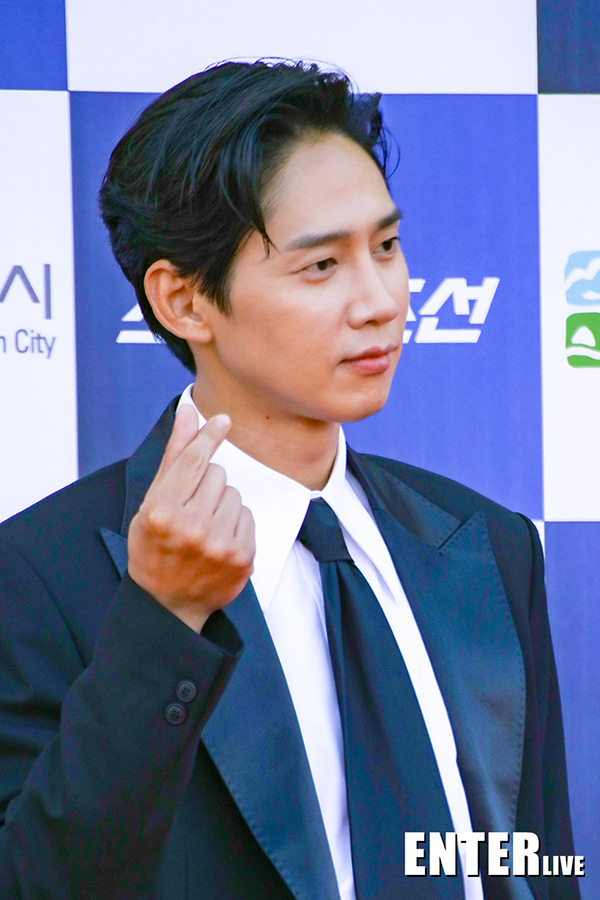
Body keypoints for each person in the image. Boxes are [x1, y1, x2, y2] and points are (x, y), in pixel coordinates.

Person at [0, 60, 578, 900]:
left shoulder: (490, 545)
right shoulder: (41, 576)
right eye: (321, 266)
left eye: (386, 247)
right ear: (184, 301)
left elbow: (537, 863)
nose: (381, 300)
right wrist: (162, 621)